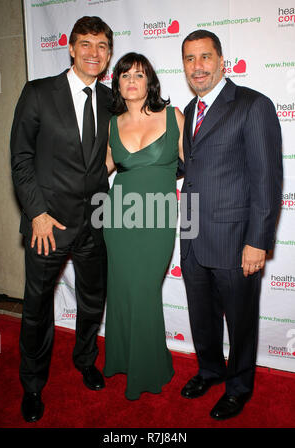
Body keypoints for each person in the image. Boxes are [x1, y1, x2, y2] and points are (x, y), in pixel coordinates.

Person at [10, 16, 113, 423]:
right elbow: (20, 159)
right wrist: (35, 213)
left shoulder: (111, 100)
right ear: (70, 48)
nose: (93, 53)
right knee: (37, 306)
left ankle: (86, 359)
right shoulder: (38, 93)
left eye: (102, 46)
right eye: (85, 44)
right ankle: (32, 384)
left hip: (96, 223)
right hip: (47, 224)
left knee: (92, 301)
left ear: (108, 54)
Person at [180, 30, 282, 420]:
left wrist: (258, 241)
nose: (198, 66)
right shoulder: (190, 111)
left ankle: (239, 387)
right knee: (200, 316)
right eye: (190, 58)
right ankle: (209, 370)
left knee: (240, 322)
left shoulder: (252, 105)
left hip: (236, 240)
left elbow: (267, 180)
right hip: (192, 237)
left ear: (222, 61)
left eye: (205, 57)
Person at [102, 52, 184, 400]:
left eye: (139, 74)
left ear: (150, 81)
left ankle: (149, 369)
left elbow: (196, 167)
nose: (132, 80)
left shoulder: (173, 116)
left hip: (157, 218)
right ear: (117, 83)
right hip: (118, 218)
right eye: (124, 75)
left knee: (144, 291)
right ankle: (122, 359)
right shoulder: (111, 124)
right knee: (122, 292)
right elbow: (96, 173)